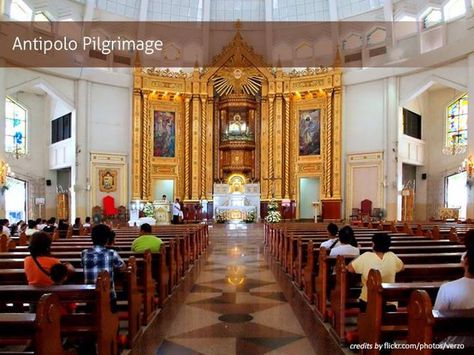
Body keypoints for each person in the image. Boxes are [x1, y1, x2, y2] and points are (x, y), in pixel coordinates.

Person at [347, 233, 404, 312]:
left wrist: (357, 258)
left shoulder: (366, 256)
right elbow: (402, 268)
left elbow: (350, 268)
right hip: (389, 302)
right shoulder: (392, 256)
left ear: (373, 244)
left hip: (367, 301)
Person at [81, 224, 125, 310]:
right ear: (107, 239)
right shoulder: (112, 253)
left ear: (92, 238)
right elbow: (122, 267)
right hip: (109, 296)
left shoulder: (84, 253)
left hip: (90, 296)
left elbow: (83, 265)